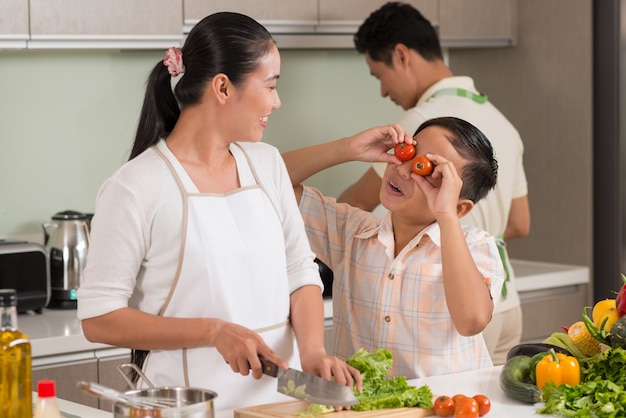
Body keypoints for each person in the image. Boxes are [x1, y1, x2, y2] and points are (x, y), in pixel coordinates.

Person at [76, 12, 360, 411]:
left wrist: (312, 353)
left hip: (283, 402)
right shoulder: (135, 187)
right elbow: (98, 318)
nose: (277, 102)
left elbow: (299, 268)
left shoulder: (267, 163)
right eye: (271, 86)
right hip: (189, 404)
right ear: (223, 87)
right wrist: (214, 332)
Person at [337, 1, 530, 365]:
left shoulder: (421, 122)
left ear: (401, 55)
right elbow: (520, 223)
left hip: (446, 303)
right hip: (505, 304)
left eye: (379, 76)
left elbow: (358, 202)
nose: (382, 92)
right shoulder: (500, 120)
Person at [282, 117, 506, 379]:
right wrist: (348, 148)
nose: (404, 171)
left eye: (429, 173)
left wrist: (446, 215)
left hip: (443, 408)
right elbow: (269, 178)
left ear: (460, 208)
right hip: (366, 408)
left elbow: (472, 321)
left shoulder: (475, 246)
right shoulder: (352, 233)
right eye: (408, 153)